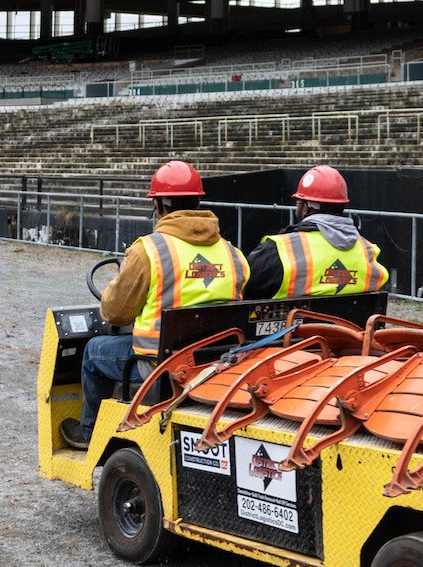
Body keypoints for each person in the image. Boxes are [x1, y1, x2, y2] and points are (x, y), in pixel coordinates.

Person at [61, 160, 247, 449]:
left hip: (158, 366)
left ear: (159, 205)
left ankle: (90, 434)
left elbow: (114, 312)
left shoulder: (148, 250)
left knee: (94, 352)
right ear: (198, 202)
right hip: (217, 362)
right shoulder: (233, 253)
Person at [243, 165, 391, 301]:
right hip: (350, 329)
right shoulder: (369, 251)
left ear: (307, 207)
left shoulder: (279, 250)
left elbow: (246, 291)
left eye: (299, 203)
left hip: (292, 329)